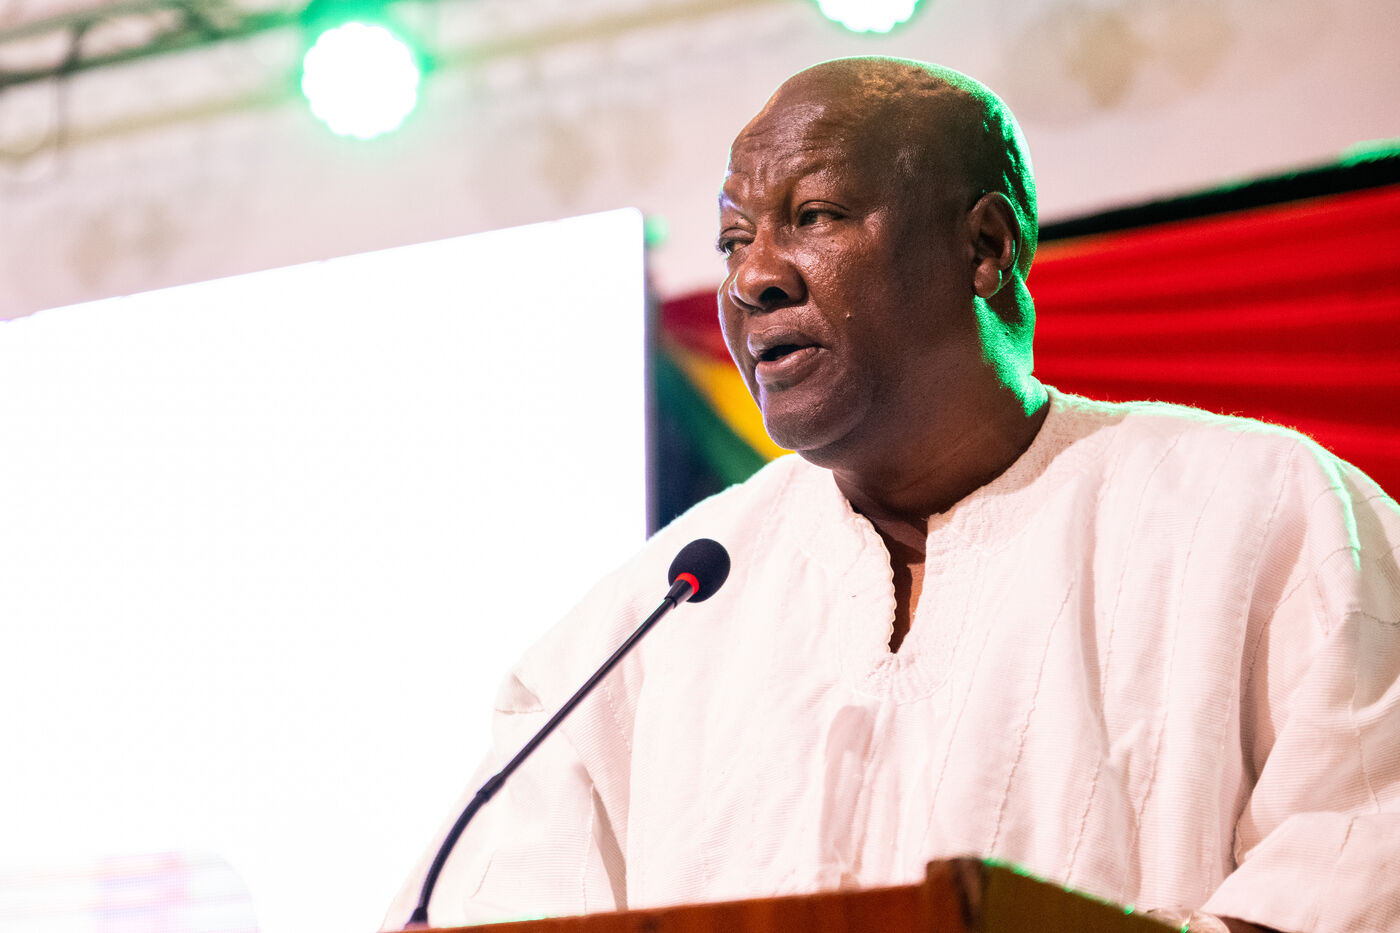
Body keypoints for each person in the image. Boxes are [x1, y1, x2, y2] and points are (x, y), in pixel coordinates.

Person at [384, 58, 1400, 933]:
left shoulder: (1260, 514)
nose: (752, 279)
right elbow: (487, 899)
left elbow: (1356, 861)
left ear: (985, 247)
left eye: (812, 217)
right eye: (733, 239)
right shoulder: (645, 621)